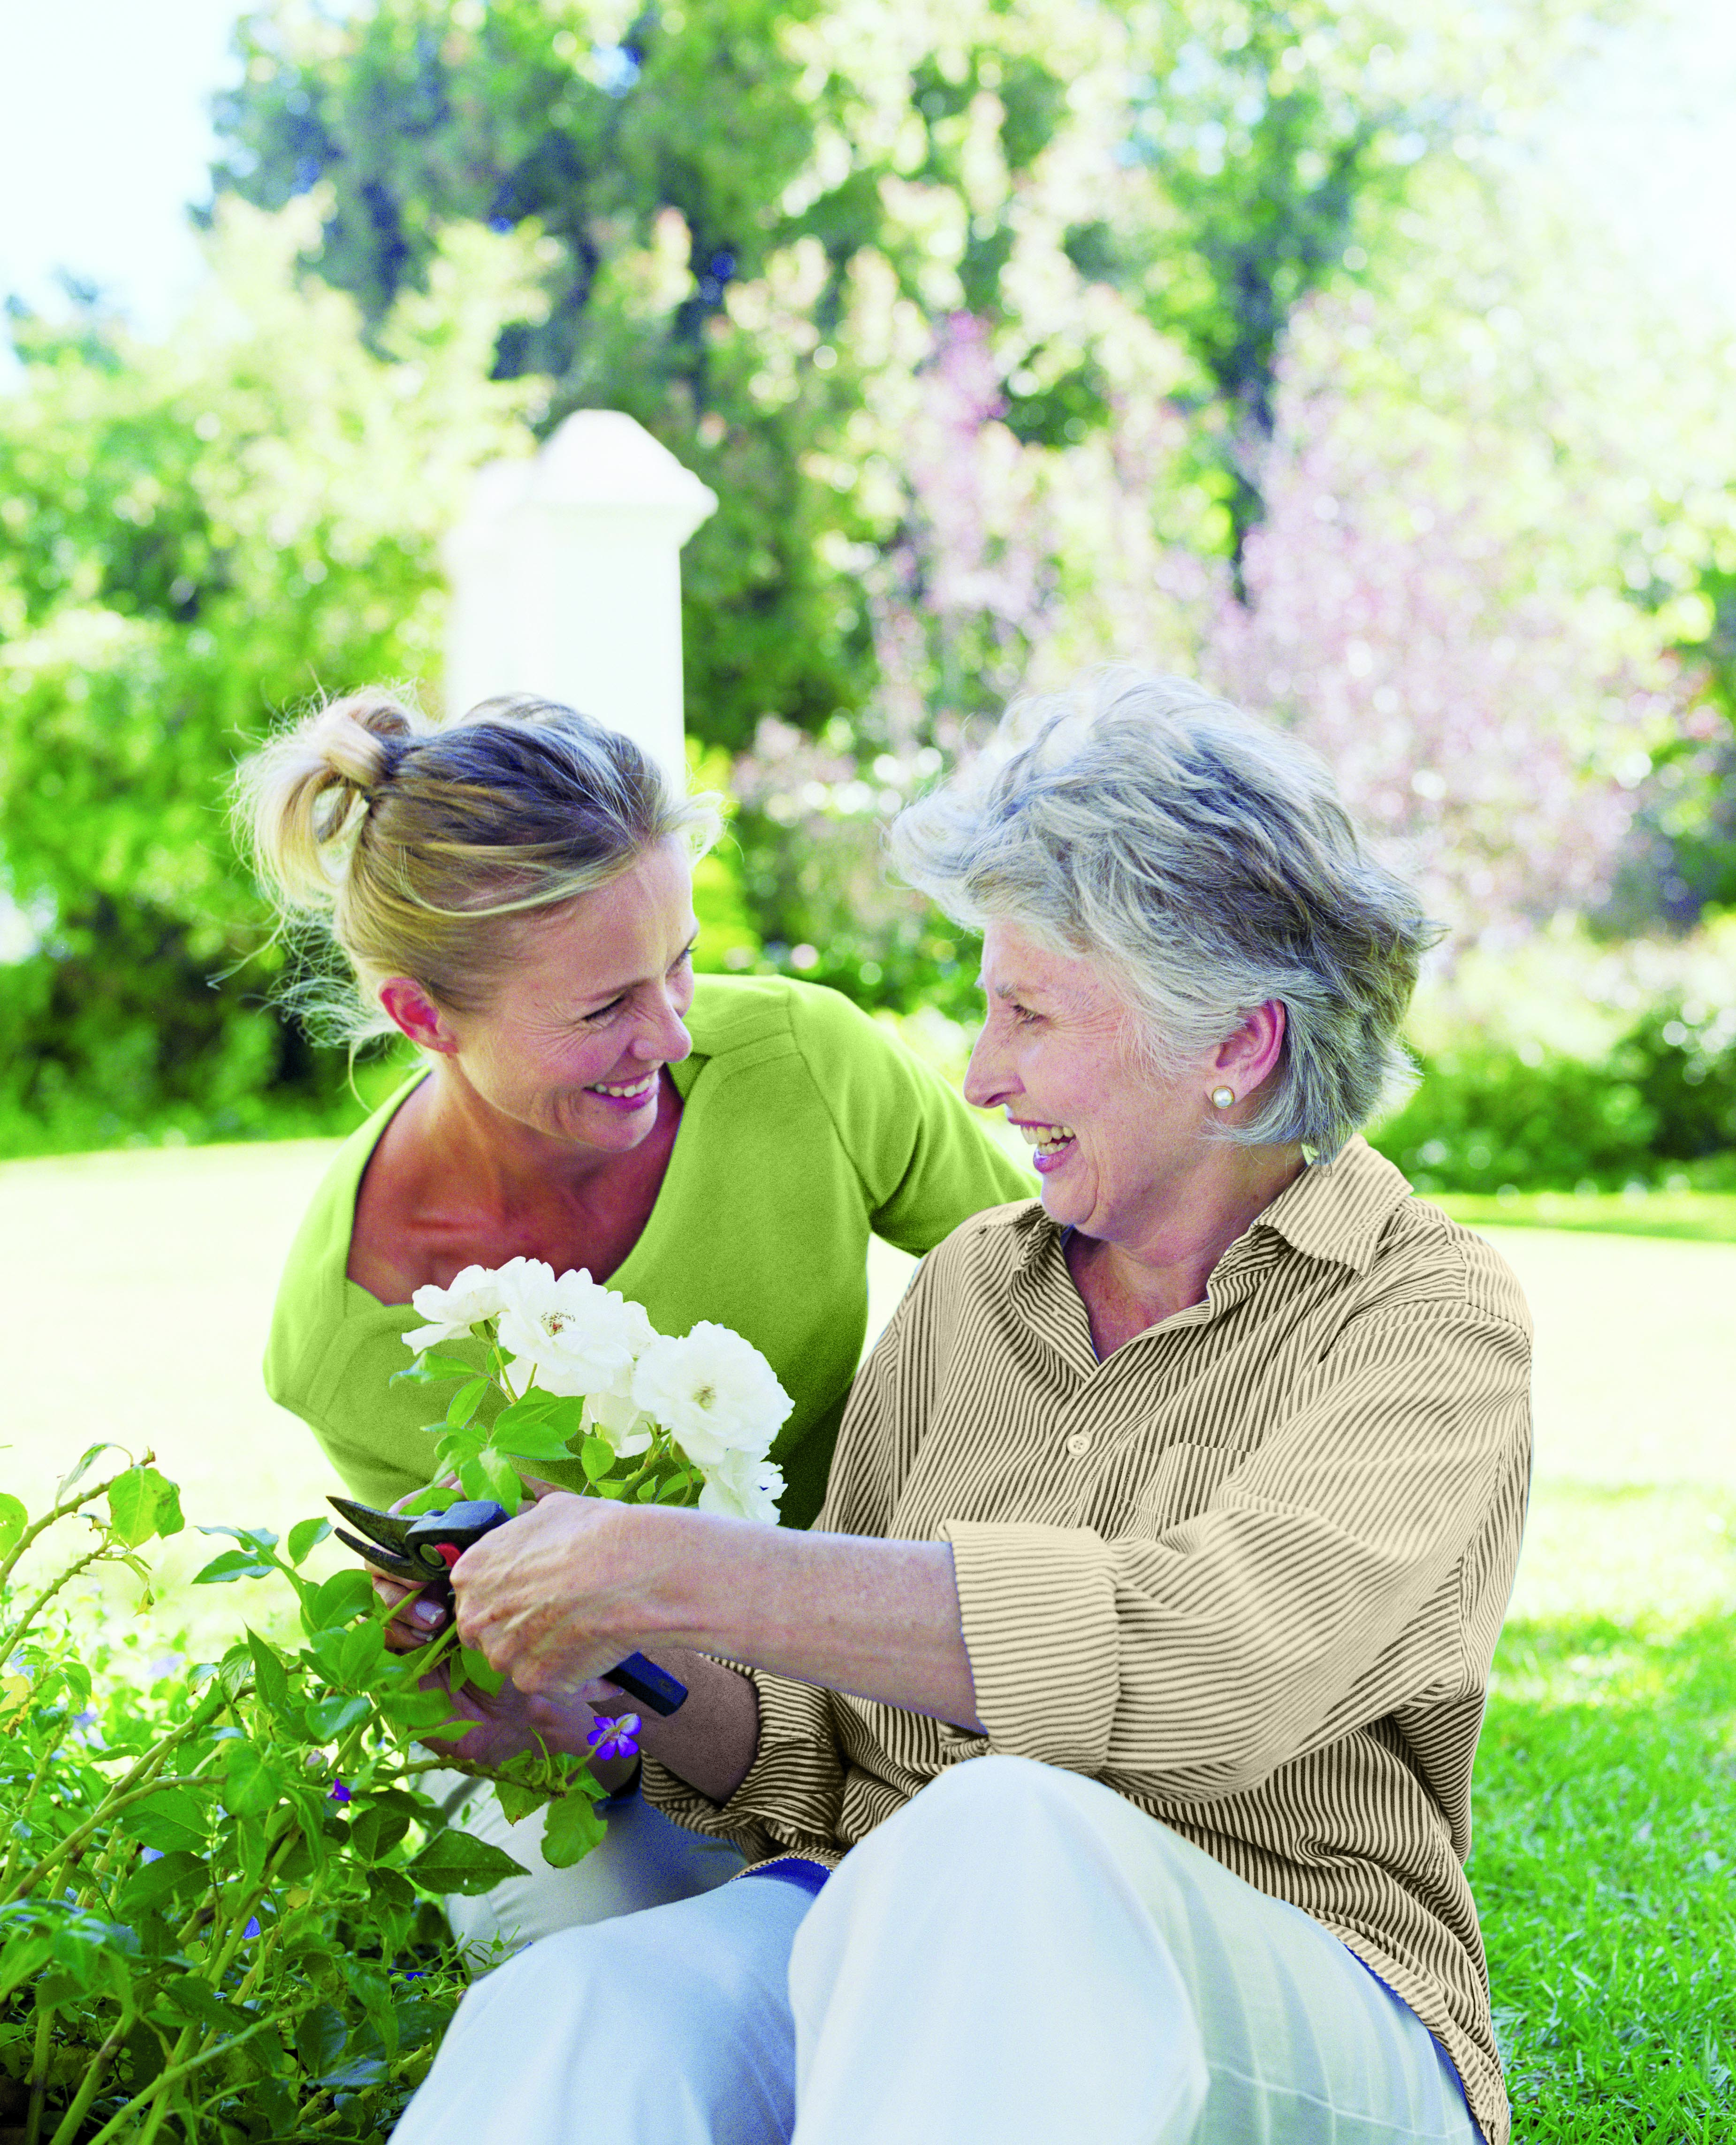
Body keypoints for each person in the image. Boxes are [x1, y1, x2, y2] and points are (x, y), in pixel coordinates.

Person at [389, 669, 1530, 2145]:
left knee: (1004, 1835)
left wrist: (674, 1560)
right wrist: (610, 1684)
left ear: (1233, 1048)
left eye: (1031, 1014)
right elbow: (818, 1747)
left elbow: (1209, 1673)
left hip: (1300, 1981)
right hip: (890, 1937)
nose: (983, 1076)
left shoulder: (1421, 1314)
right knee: (579, 2012)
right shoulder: (971, 1290)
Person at [236, 687, 1032, 1950]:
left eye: (680, 964)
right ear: (423, 1018)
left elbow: (1081, 1300)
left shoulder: (799, 1062)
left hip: (904, 1650)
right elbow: (565, 1728)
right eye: (603, 1007)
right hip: (663, 1733)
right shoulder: (352, 1331)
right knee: (597, 1955)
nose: (666, 1036)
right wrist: (516, 1723)